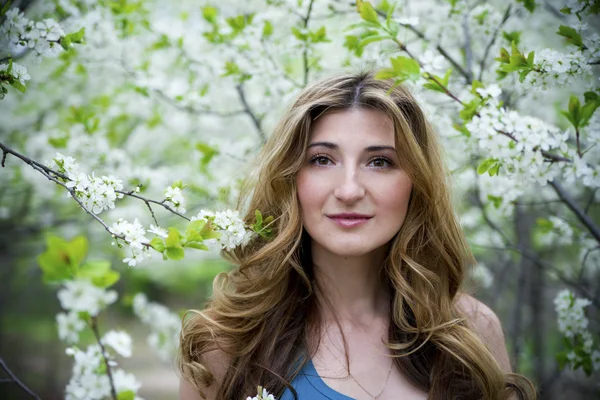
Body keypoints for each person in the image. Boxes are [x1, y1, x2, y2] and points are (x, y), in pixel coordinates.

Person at [178, 71, 536, 400]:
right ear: (290, 179)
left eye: (379, 161)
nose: (349, 190)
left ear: (416, 184)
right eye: (321, 160)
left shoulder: (471, 332)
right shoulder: (227, 343)